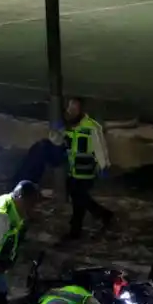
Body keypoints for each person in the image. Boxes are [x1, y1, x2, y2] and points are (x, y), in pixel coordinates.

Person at [63, 97, 114, 239]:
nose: (71, 111)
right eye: (69, 108)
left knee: (79, 198)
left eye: (74, 108)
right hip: (73, 170)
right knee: (79, 198)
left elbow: (100, 147)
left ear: (81, 110)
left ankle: (76, 230)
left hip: (86, 172)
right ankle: (103, 215)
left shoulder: (92, 127)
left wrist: (104, 165)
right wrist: (54, 131)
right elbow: (59, 141)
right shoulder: (68, 126)